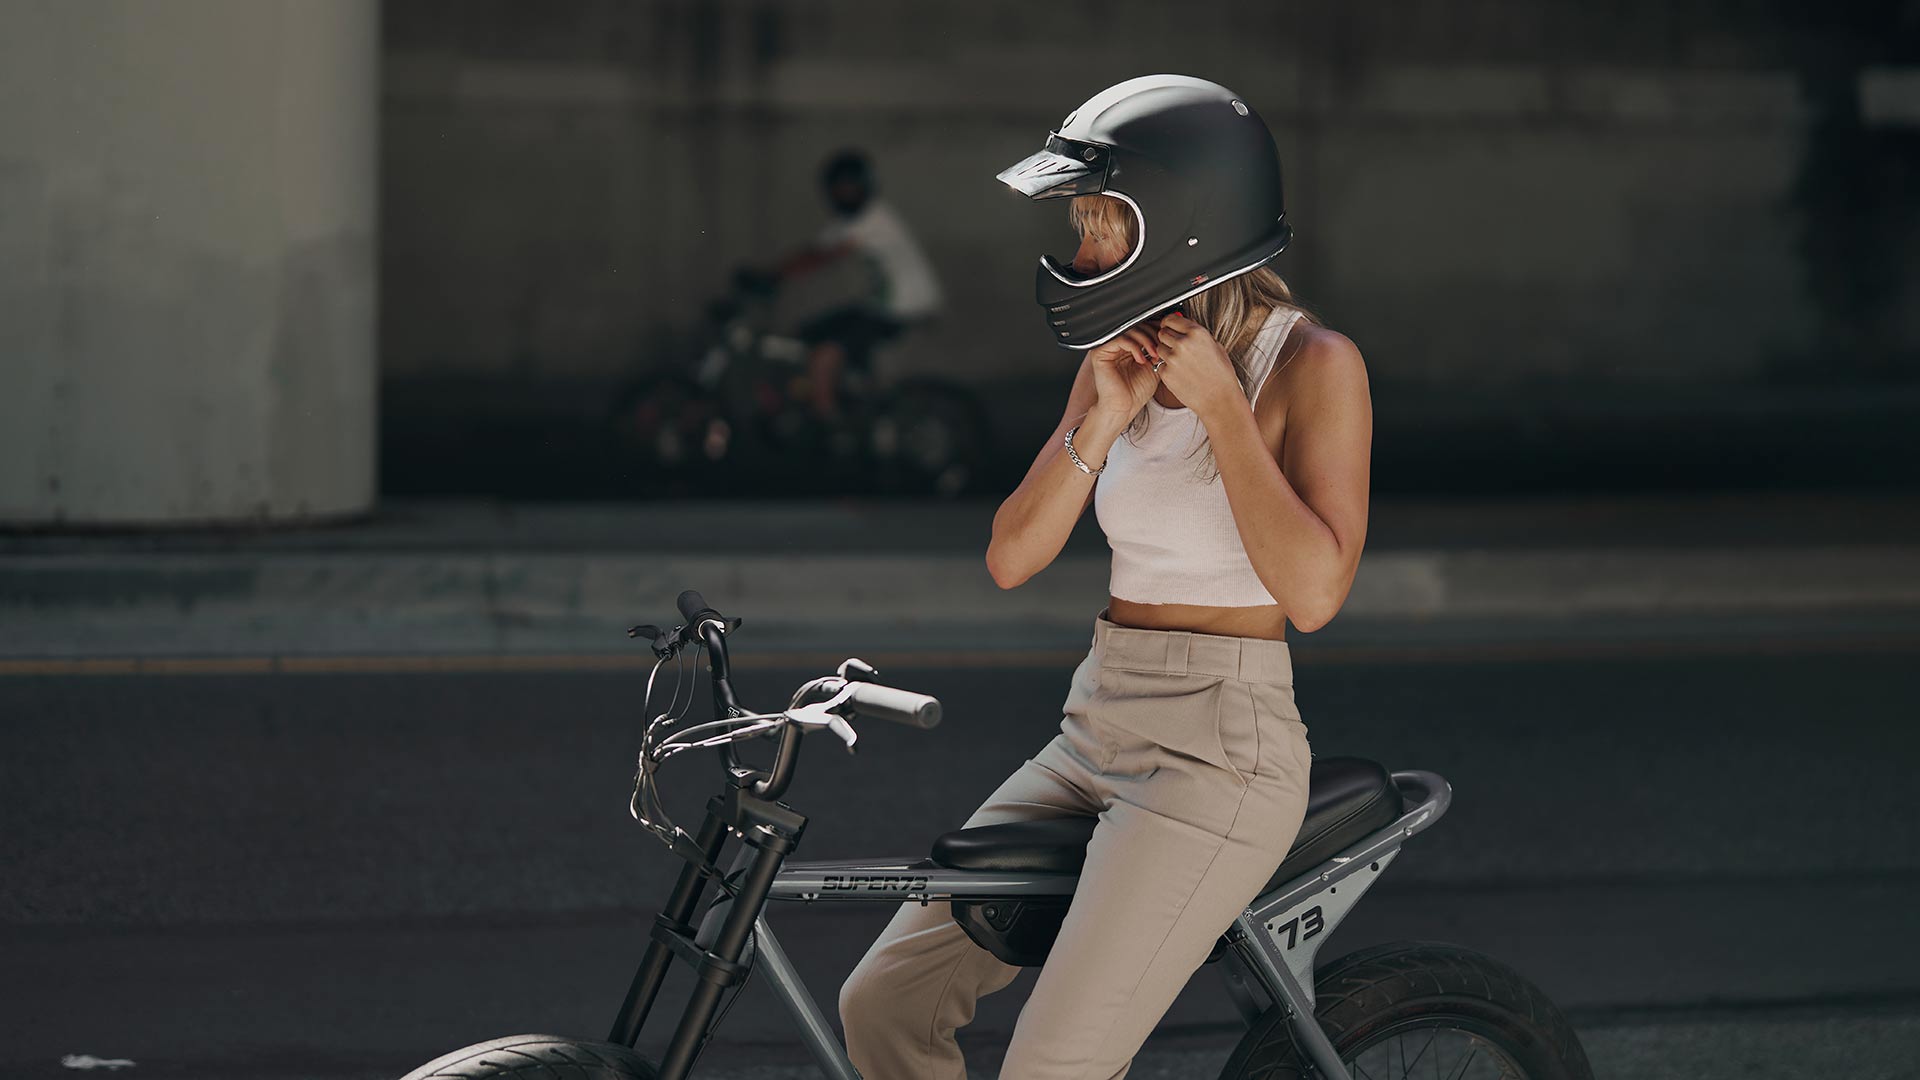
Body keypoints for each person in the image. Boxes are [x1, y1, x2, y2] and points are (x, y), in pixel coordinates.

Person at [837, 75, 1372, 1078]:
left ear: (1186, 226)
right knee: (882, 1003)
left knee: (1052, 1070)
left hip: (1221, 751)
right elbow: (1012, 557)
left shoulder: (1314, 366)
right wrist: (1103, 417)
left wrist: (1221, 410)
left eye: (1101, 229)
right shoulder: (1108, 357)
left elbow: (1314, 594)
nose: (1081, 258)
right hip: (1099, 720)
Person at [746, 149, 944, 424]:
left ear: (865, 186)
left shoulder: (875, 219)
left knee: (824, 355)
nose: (843, 195)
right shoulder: (849, 222)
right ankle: (850, 392)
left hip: (903, 309)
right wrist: (772, 273)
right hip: (880, 306)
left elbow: (823, 257)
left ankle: (831, 425)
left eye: (849, 187)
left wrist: (773, 277)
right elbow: (815, 249)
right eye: (838, 189)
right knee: (807, 334)